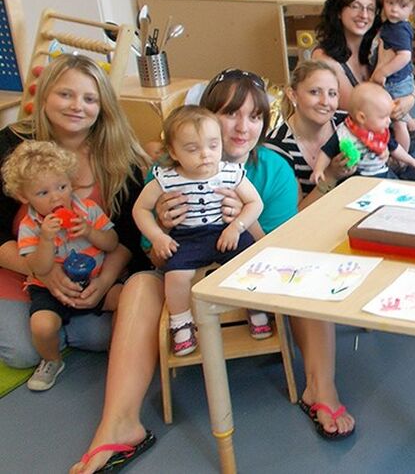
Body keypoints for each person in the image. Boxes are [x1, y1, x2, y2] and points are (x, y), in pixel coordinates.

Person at [70, 69, 350, 473]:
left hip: (251, 266)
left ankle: (320, 387)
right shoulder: (167, 172)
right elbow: (152, 255)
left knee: (311, 273)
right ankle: (120, 424)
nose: (243, 127)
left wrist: (243, 222)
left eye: (255, 117)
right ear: (203, 118)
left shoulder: (272, 168)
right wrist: (163, 228)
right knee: (136, 288)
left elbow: (283, 251)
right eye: (230, 113)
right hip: (182, 272)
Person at [0, 54, 149, 375]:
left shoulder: (120, 156)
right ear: (45, 96)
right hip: (21, 267)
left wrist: (105, 280)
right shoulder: (10, 146)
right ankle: (51, 330)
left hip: (91, 272)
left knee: (99, 336)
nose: (76, 106)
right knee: (21, 353)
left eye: (89, 98)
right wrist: (42, 272)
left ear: (103, 106)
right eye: (65, 94)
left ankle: (57, 331)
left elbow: (128, 236)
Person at [133, 106, 263, 356]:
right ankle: (181, 322)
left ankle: (254, 307)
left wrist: (237, 226)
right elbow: (140, 209)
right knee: (176, 275)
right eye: (192, 149)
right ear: (173, 151)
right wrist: (158, 236)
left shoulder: (229, 173)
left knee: (247, 262)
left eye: (213, 146)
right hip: (187, 236)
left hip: (225, 230)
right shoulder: (166, 178)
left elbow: (255, 203)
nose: (205, 155)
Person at [2, 142, 118, 391]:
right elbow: (38, 266)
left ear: (71, 183)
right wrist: (45, 239)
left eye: (62, 187)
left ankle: (128, 350)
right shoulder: (30, 225)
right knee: (42, 326)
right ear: (25, 197)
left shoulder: (87, 210)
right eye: (43, 193)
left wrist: (89, 231)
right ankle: (52, 360)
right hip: (48, 288)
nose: (56, 197)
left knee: (125, 297)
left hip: (91, 281)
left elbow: (112, 242)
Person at [312, 0, 415, 182]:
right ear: (339, 10)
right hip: (360, 150)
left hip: (389, 139)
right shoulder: (325, 59)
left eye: (370, 8)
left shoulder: (379, 44)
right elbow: (357, 108)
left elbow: (406, 81)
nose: (364, 15)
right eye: (355, 7)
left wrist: (409, 100)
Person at [312, 82, 415, 183]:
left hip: (383, 173)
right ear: (362, 117)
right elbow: (326, 152)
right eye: (383, 117)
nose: (389, 121)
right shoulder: (344, 133)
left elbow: (395, 148)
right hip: (357, 179)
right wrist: (319, 169)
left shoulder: (380, 132)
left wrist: (411, 160)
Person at [265, 60, 341, 200]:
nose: (325, 102)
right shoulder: (276, 147)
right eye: (314, 92)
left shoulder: (347, 124)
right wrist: (330, 176)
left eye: (332, 94)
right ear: (293, 94)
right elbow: (295, 216)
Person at [371, 0, 415, 153]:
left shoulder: (399, 30)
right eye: (390, 3)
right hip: (400, 79)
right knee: (398, 114)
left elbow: (405, 56)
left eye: (402, 6)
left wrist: (382, 72)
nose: (394, 10)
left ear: (413, 10)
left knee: (396, 121)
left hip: (396, 82)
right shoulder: (394, 24)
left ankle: (402, 155)